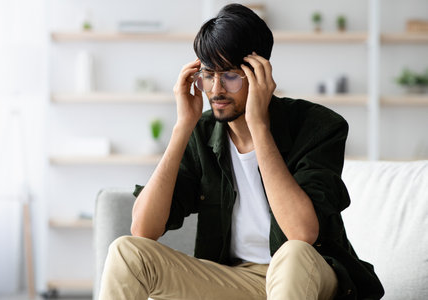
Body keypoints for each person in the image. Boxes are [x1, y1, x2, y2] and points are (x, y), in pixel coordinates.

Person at [99, 4, 384, 300]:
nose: (216, 89)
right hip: (234, 280)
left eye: (231, 75)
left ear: (260, 73)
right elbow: (143, 228)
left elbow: (302, 233)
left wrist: (258, 126)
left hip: (307, 274)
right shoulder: (202, 132)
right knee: (126, 251)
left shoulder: (318, 126)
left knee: (294, 253)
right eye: (208, 75)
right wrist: (183, 126)